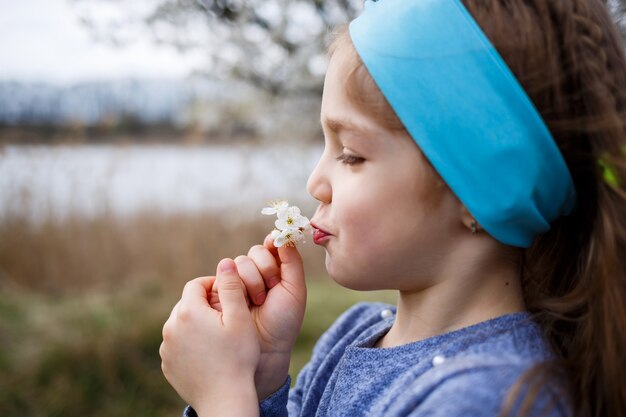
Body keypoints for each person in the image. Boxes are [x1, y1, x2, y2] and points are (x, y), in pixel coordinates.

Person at [159, 0, 626, 415]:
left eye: (351, 155)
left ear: (475, 194)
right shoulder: (355, 336)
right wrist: (260, 382)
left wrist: (222, 396)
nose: (315, 182)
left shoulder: (493, 396)